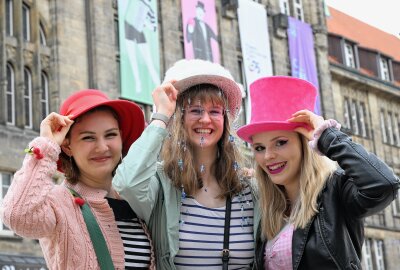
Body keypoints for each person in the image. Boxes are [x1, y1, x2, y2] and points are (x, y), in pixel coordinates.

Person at [236, 76, 400, 270]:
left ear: (306, 143)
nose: (268, 156)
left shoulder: (335, 191)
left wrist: (327, 137)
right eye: (259, 147)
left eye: (280, 142)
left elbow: (384, 184)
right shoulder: (266, 206)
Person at [113, 59, 260, 269]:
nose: (206, 119)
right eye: (195, 110)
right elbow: (126, 184)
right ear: (178, 118)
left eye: (215, 111)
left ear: (225, 120)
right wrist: (162, 116)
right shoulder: (161, 185)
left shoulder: (249, 189)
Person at [0, 89, 156, 269]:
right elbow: (17, 215)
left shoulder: (138, 197)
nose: (102, 146)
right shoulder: (58, 202)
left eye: (110, 135)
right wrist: (45, 144)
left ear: (121, 138)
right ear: (67, 146)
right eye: (88, 137)